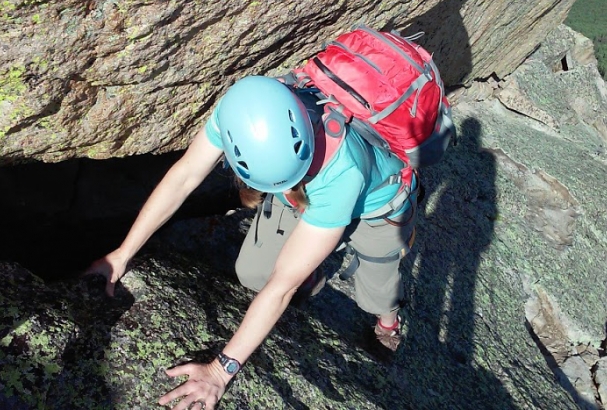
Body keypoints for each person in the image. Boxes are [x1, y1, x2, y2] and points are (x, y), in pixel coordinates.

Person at [86, 75, 418, 410]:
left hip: (379, 205)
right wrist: (122, 253)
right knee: (253, 272)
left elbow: (281, 288)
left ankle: (387, 321)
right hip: (299, 190)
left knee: (375, 288)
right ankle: (312, 272)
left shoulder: (343, 173)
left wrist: (220, 371)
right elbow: (184, 176)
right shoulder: (244, 113)